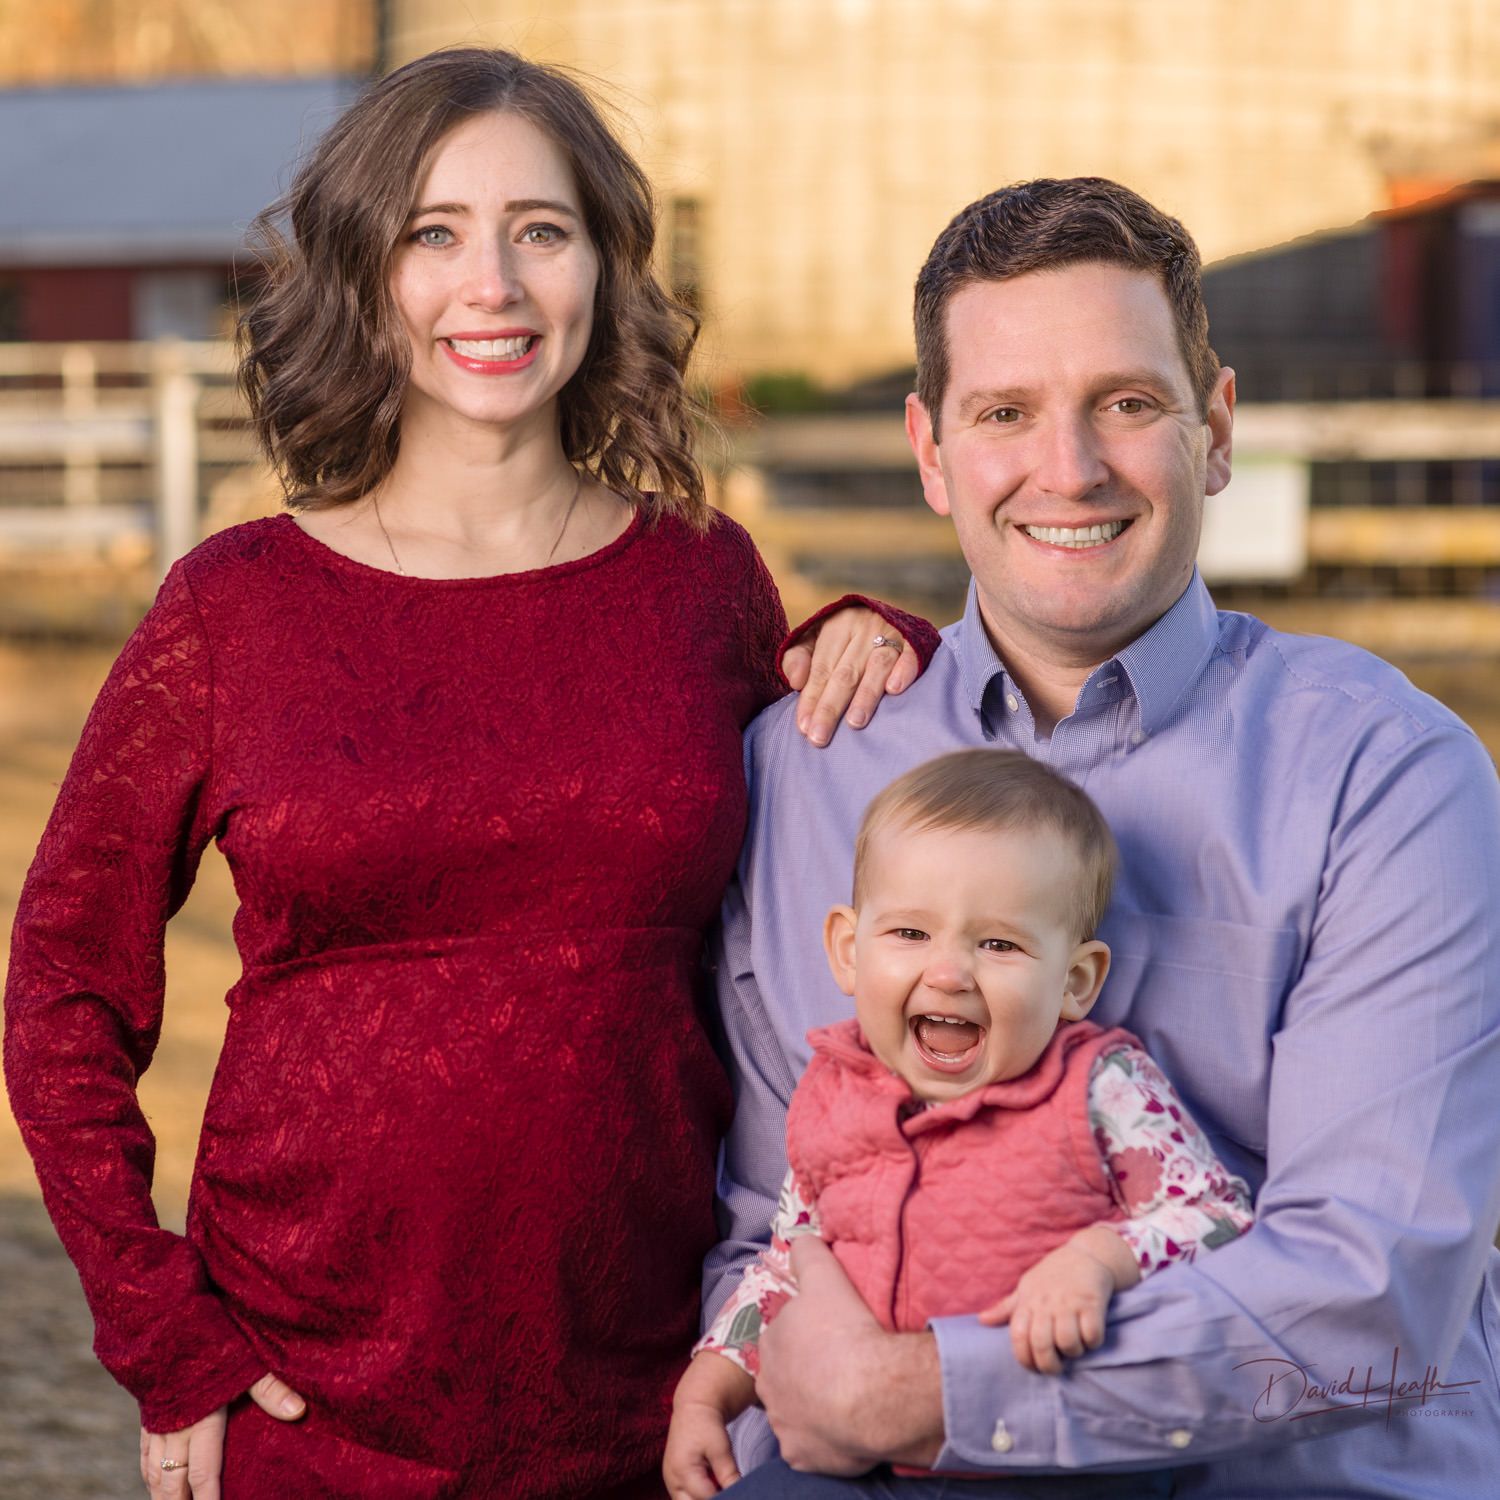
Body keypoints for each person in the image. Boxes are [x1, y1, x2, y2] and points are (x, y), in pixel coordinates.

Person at [1, 47, 939, 1500]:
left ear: (603, 271)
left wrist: (883, 640)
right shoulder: (231, 607)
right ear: (366, 278)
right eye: (433, 233)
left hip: (661, 1396)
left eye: (539, 231)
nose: (490, 283)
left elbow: (875, 825)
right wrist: (157, 1326)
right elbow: (64, 979)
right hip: (302, 1402)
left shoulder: (704, 585)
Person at [706, 177, 1500, 1498]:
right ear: (929, 451)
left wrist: (935, 1396)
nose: (1068, 469)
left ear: (1218, 429)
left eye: (1127, 405)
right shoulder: (810, 768)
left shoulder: (1382, 771)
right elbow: (765, 1219)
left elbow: (1375, 1282)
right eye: (1004, 413)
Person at [665, 750, 1251, 1500]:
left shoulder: (1098, 1085)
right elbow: (790, 1264)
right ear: (848, 950)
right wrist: (707, 1391)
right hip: (854, 1469)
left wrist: (1099, 1260)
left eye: (999, 944)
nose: (949, 972)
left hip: (1049, 1467)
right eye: (910, 934)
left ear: (1075, 981)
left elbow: (1215, 1214)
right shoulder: (831, 1094)